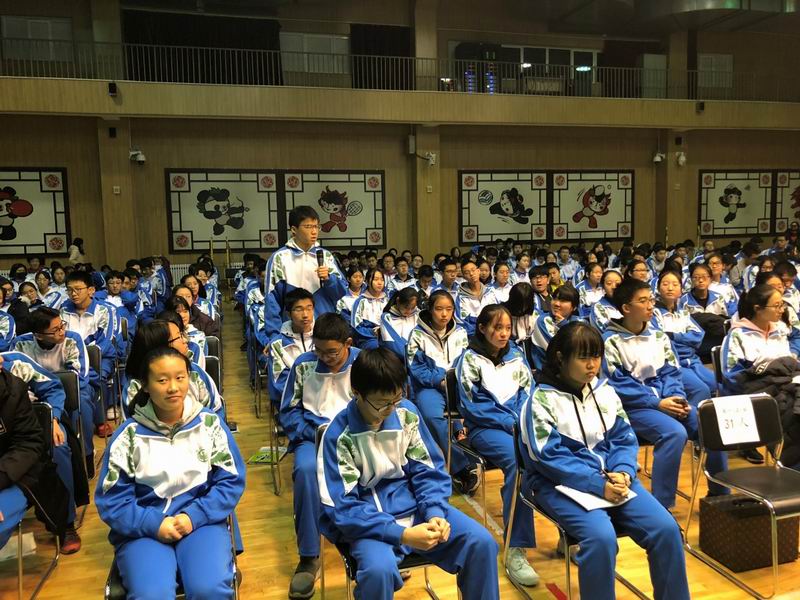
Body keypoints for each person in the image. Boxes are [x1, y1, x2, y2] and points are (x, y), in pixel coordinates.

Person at [520, 321, 690, 600]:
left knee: (666, 529)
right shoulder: (539, 401)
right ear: (561, 358)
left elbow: (624, 438)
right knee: (600, 538)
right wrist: (598, 485)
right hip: (557, 484)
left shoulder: (605, 392)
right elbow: (548, 457)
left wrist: (623, 471)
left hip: (613, 479)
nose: (592, 365)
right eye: (583, 357)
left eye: (596, 356)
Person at [318, 348, 500, 600]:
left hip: (417, 509)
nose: (391, 410)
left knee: (481, 543)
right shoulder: (338, 436)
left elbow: (429, 471)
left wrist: (435, 513)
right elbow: (344, 507)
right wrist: (401, 535)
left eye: (396, 399)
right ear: (356, 393)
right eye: (382, 404)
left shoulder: (406, 414)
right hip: (371, 524)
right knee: (378, 572)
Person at [95, 347, 245, 599]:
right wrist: (154, 524)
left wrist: (193, 516)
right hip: (143, 530)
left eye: (180, 377)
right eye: (162, 380)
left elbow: (230, 481)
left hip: (201, 523)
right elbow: (112, 501)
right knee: (152, 594)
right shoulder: (127, 436)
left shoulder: (210, 425)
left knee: (208, 590)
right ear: (145, 385)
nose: (173, 387)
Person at [603, 278, 727, 509]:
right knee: (674, 433)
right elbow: (618, 385)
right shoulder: (610, 341)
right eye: (643, 301)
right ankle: (663, 506)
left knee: (711, 425)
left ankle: (721, 495)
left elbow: (672, 372)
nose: (651, 305)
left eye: (651, 299)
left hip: (665, 401)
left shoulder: (659, 337)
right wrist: (657, 402)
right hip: (632, 408)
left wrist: (677, 398)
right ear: (626, 308)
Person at [455, 304, 538, 587]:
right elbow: (471, 405)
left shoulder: (517, 356)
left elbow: (529, 393)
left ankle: (570, 533)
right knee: (518, 462)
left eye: (507, 328)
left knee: (557, 453)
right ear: (482, 328)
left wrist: (520, 420)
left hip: (518, 425)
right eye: (497, 328)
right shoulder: (469, 359)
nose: (504, 334)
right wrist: (509, 421)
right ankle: (516, 547)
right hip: (485, 429)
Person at [279, 313, 360, 599]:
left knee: (375, 471)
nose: (325, 357)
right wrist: (309, 432)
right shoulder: (304, 365)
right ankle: (309, 555)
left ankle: (374, 545)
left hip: (355, 437)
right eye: (319, 350)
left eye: (332, 352)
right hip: (312, 436)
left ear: (347, 343)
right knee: (304, 471)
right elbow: (289, 411)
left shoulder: (363, 363)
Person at [405, 290, 476, 493]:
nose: (444, 314)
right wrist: (440, 380)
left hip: (457, 384)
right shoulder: (417, 334)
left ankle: (480, 456)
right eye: (439, 309)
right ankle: (461, 467)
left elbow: (466, 361)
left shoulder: (460, 332)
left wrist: (454, 380)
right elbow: (416, 368)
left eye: (449, 309)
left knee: (478, 408)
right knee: (431, 416)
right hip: (430, 387)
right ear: (430, 309)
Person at [12, 307, 100, 462]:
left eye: (62, 325)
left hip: (73, 388)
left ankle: (85, 454)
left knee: (82, 400)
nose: (62, 332)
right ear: (38, 335)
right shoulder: (21, 344)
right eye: (55, 330)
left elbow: (79, 375)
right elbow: (17, 379)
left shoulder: (72, 339)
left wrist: (55, 391)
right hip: (38, 393)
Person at [265, 205, 347, 338]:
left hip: (324, 328)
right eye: (308, 227)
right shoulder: (280, 258)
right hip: (293, 331)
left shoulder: (325, 256)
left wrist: (329, 279)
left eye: (316, 226)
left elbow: (341, 292)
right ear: (294, 229)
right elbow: (272, 300)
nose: (314, 231)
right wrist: (274, 336)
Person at [124, 321, 223, 418]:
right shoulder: (134, 387)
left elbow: (216, 411)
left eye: (180, 378)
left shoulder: (195, 373)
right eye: (179, 337)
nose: (185, 340)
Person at [60, 271, 115, 438]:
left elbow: (106, 340)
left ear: (91, 290)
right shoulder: (64, 310)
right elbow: (61, 338)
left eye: (78, 289)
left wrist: (85, 359)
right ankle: (73, 422)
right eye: (70, 290)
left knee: (97, 376)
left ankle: (100, 420)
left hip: (100, 357)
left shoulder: (104, 310)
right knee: (68, 379)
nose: (73, 294)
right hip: (72, 358)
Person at [653, 270, 717, 404]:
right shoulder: (654, 313)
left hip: (692, 360)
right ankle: (690, 415)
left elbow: (698, 336)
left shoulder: (683, 313)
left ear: (681, 290)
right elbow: (662, 341)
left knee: (715, 384)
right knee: (701, 390)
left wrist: (674, 336)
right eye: (665, 284)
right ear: (658, 288)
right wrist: (686, 343)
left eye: (675, 284)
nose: (670, 288)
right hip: (673, 363)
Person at [266, 288, 315, 404]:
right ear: (289, 314)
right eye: (299, 309)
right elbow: (280, 383)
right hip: (293, 404)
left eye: (309, 308)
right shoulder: (278, 345)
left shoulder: (323, 336)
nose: (305, 315)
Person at [530, 285, 581, 371]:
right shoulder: (543, 321)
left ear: (574, 307)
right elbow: (559, 351)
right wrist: (564, 326)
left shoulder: (579, 322)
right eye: (554, 299)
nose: (556, 304)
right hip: (549, 371)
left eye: (563, 301)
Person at [351, 268, 389, 350]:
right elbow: (356, 327)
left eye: (382, 280)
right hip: (368, 339)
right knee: (377, 347)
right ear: (367, 281)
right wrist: (373, 332)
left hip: (387, 336)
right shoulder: (360, 301)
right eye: (376, 279)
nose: (379, 283)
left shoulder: (387, 300)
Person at [379, 287, 419, 360]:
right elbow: (391, 343)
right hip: (398, 357)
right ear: (398, 301)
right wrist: (413, 357)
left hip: (418, 356)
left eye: (412, 307)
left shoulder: (417, 315)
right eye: (406, 307)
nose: (409, 311)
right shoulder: (387, 317)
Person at [455, 259, 487, 336]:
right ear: (464, 277)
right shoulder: (460, 297)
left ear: (478, 271)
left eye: (473, 270)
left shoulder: (490, 292)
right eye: (467, 272)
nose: (471, 274)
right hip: (473, 335)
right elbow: (462, 321)